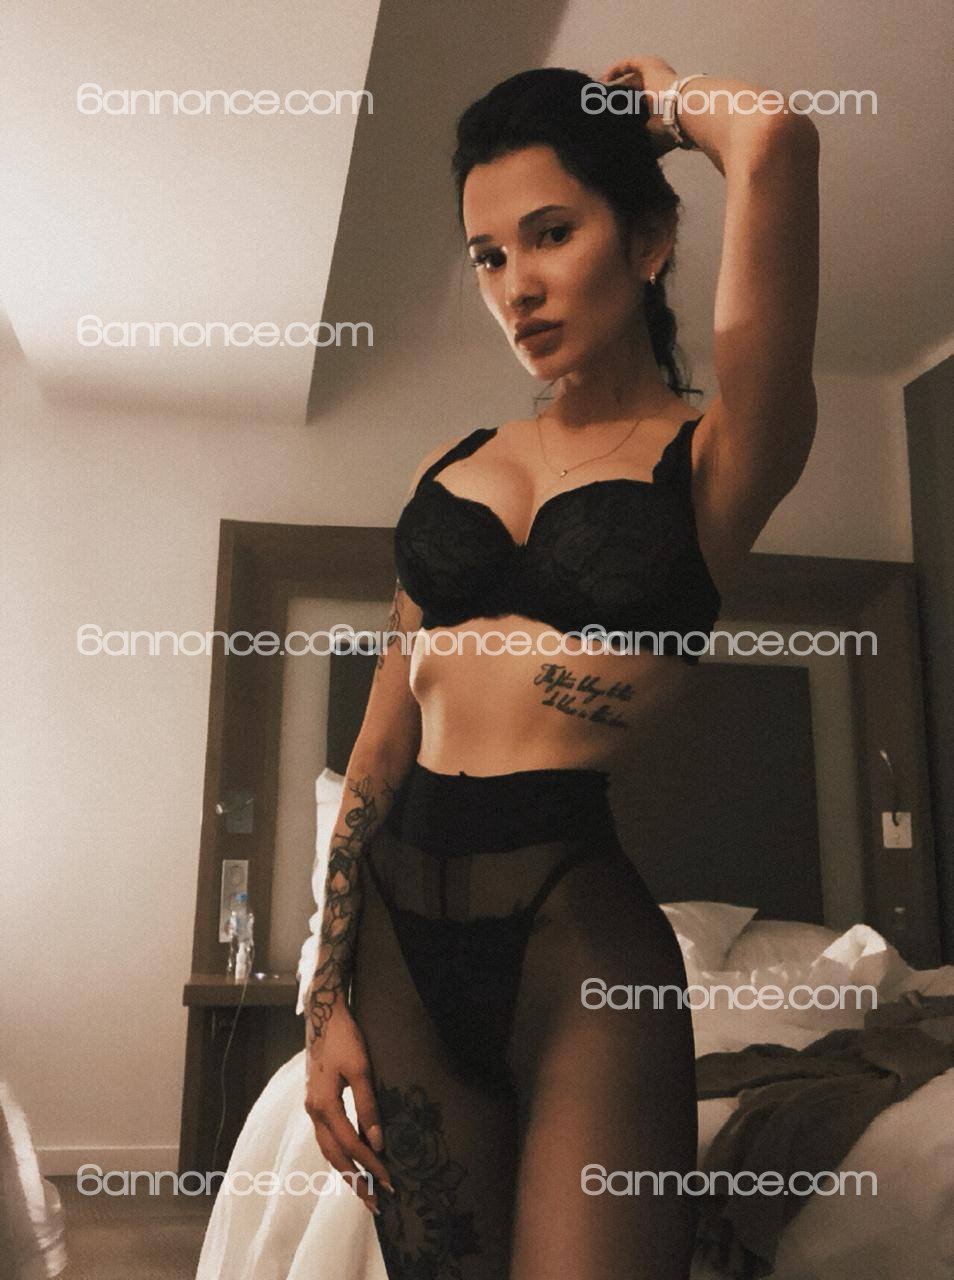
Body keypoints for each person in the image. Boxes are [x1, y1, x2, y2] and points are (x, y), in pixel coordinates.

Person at [303, 55, 819, 1279]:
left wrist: (667, 101)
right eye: (488, 256)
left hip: (577, 943)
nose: (515, 286)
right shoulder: (454, 462)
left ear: (648, 240)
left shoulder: (721, 455)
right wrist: (322, 998)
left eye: (550, 233)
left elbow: (776, 140)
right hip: (397, 943)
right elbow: (379, 744)